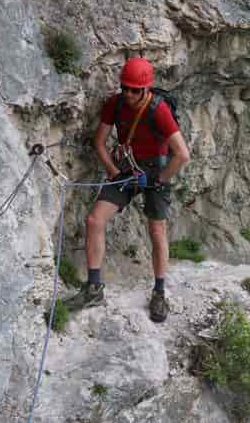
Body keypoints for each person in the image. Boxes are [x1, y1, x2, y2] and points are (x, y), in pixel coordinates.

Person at [64, 57, 190, 322]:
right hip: (127, 169)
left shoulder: (158, 110)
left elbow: (182, 154)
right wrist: (113, 171)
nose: (129, 94)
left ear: (146, 89)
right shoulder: (116, 104)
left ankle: (159, 292)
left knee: (156, 229)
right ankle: (94, 288)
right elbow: (99, 141)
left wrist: (159, 179)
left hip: (156, 170)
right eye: (125, 88)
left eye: (135, 89)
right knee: (94, 220)